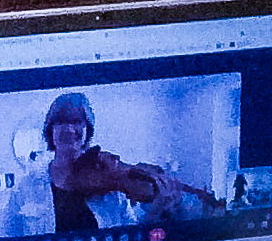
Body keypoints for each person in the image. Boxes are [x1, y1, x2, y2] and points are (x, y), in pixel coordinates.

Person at [42, 91, 221, 233]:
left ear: (87, 128)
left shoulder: (108, 181)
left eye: (77, 121)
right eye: (61, 122)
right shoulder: (28, 188)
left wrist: (156, 209)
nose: (69, 129)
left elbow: (131, 233)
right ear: (50, 130)